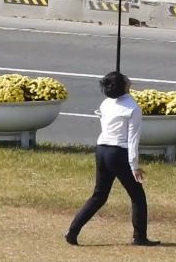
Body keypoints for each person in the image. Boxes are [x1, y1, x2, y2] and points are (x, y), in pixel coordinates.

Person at [65, 71, 160, 247]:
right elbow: (133, 139)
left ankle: (72, 231)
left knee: (99, 196)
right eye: (126, 79)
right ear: (124, 86)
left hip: (102, 150)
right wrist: (134, 165)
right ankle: (139, 237)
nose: (129, 79)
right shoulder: (133, 108)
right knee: (137, 196)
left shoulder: (106, 103)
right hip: (119, 153)